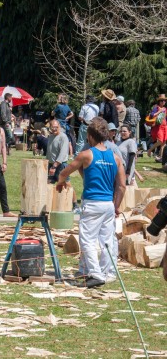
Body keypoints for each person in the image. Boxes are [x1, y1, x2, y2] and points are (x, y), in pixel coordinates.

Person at [56, 118, 125, 288]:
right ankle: (107, 272)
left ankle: (94, 273)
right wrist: (116, 206)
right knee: (107, 240)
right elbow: (122, 186)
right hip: (108, 204)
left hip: (92, 203)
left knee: (87, 239)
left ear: (90, 136)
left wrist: (60, 181)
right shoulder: (115, 157)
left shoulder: (86, 155)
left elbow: (64, 172)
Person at [147, 94, 167, 161]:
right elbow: (152, 115)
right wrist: (160, 111)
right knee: (160, 141)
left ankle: (160, 157)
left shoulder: (165, 109)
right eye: (162, 100)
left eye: (164, 101)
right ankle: (150, 150)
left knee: (164, 142)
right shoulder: (156, 107)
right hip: (158, 127)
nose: (163, 102)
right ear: (159, 101)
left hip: (165, 126)